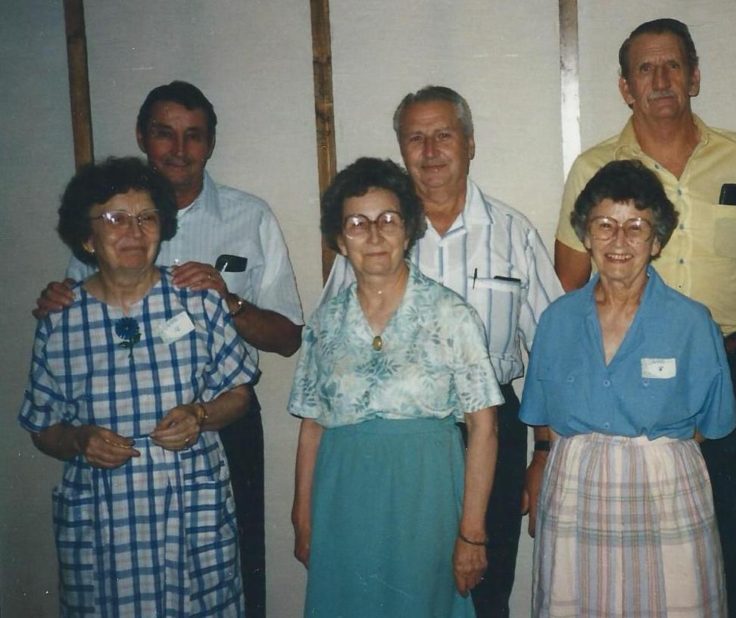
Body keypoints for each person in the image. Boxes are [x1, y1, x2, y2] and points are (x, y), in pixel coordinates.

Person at [32, 80, 303, 617]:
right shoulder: (103, 216)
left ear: (210, 143)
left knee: (229, 561)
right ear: (141, 137)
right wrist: (55, 302)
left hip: (219, 418)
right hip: (115, 437)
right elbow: (76, 323)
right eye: (164, 133)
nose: (179, 149)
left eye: (193, 135)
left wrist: (228, 303)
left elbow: (290, 337)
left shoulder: (249, 217)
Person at [552, 19, 736, 617]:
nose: (660, 79)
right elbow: (568, 284)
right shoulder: (595, 168)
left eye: (673, 65)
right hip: (625, 385)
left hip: (727, 371)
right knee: (632, 554)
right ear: (625, 87)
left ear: (694, 76)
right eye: (645, 69)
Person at [320, 85, 563, 617]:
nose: (430, 151)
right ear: (401, 149)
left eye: (443, 136)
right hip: (397, 440)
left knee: (484, 585)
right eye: (416, 138)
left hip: (491, 430)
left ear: (469, 144)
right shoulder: (373, 238)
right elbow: (328, 348)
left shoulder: (513, 234)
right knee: (397, 585)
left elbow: (552, 352)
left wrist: (545, 451)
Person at [19, 156, 257, 615]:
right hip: (103, 520)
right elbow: (42, 427)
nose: (135, 230)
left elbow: (240, 395)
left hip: (192, 511)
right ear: (87, 237)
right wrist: (80, 439)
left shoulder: (198, 303)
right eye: (116, 218)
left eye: (147, 217)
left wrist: (200, 415)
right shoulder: (61, 321)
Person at [521, 159, 736, 617]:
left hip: (666, 491)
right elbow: (542, 415)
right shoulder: (557, 320)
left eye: (636, 227)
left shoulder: (692, 322)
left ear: (656, 241)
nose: (619, 241)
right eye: (605, 225)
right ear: (586, 235)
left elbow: (712, 424)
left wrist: (647, 453)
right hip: (575, 491)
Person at [290, 157, 500, 616]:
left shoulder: (451, 315)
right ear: (339, 239)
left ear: (408, 231)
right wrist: (302, 516)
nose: (374, 235)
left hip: (425, 496)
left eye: (388, 220)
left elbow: (483, 428)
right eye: (357, 223)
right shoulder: (325, 323)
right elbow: (311, 426)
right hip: (343, 496)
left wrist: (472, 531)